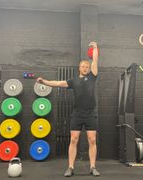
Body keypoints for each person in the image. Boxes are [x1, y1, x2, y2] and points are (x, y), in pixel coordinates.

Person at [36, 41, 100, 177]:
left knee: (92, 140)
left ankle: (93, 167)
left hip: (90, 113)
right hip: (77, 113)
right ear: (79, 68)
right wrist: (45, 82)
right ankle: (70, 167)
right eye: (83, 66)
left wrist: (95, 48)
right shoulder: (73, 81)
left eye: (86, 66)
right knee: (74, 139)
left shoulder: (92, 77)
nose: (85, 68)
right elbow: (58, 83)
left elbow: (95, 61)